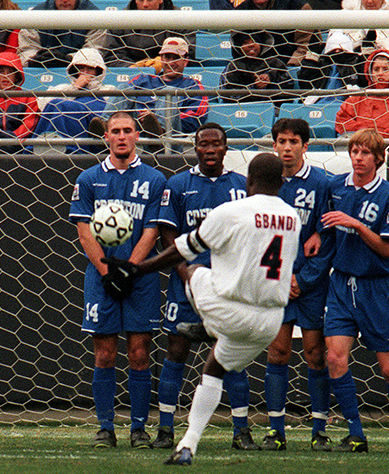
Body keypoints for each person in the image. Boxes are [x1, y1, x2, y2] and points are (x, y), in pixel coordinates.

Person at [103, 152, 301, 466]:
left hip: (231, 311)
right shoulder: (293, 217)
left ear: (248, 180)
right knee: (214, 371)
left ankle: (207, 325)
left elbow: (181, 250)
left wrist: (137, 269)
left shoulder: (232, 211)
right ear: (282, 182)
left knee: (194, 272)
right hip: (269, 321)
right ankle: (187, 445)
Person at [152, 123, 255, 451]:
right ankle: (166, 429)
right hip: (187, 284)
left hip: (229, 287)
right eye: (203, 144)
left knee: (232, 354)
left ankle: (242, 431)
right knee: (176, 350)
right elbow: (168, 235)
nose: (210, 149)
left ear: (226, 148)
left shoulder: (242, 186)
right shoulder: (178, 184)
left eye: (216, 144)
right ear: (195, 148)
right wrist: (186, 276)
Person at [68, 111, 167, 449]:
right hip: (101, 279)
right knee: (105, 354)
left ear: (137, 135)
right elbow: (84, 231)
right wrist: (108, 272)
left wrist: (130, 270)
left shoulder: (155, 180)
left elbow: (152, 230)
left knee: (140, 353)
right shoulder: (88, 178)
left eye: (128, 130)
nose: (122, 136)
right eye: (115, 131)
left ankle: (138, 428)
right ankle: (105, 428)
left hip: (139, 280)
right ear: (106, 137)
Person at [321, 128, 389, 453]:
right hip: (342, 285)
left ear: (378, 158)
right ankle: (356, 433)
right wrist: (317, 237)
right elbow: (326, 228)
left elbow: (387, 251)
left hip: (377, 288)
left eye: (365, 153)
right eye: (354, 152)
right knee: (334, 358)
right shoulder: (336, 187)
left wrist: (358, 225)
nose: (358, 158)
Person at [260, 118, 334, 452]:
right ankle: (276, 430)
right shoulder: (264, 185)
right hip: (275, 282)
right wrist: (278, 278)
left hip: (310, 285)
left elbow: (328, 238)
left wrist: (302, 280)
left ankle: (319, 429)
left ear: (306, 145)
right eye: (281, 141)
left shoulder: (322, 184)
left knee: (315, 354)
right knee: (277, 351)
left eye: (293, 142)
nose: (287, 148)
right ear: (273, 144)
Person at [96, 37, 208, 147]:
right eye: (167, 57)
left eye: (176, 58)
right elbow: (124, 102)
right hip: (134, 130)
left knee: (169, 92)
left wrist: (157, 118)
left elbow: (196, 118)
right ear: (161, 59)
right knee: (123, 88)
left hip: (171, 136)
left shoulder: (192, 85)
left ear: (185, 61)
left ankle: (159, 129)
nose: (171, 62)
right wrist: (142, 119)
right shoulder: (143, 79)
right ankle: (105, 125)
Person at [32, 48, 117, 154]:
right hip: (62, 134)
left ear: (98, 71)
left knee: (72, 107)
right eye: (81, 68)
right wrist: (74, 88)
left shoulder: (108, 90)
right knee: (56, 104)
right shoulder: (63, 88)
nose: (85, 73)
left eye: (90, 69)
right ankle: (46, 146)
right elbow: (41, 105)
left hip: (91, 141)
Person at [209, 0, 318, 67]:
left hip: (292, 69)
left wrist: (288, 68)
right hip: (255, 74)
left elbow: (305, 47)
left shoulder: (299, 7)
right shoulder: (241, 12)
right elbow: (239, 51)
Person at [103, 0, 196, 68]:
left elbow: (188, 52)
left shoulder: (181, 19)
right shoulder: (119, 20)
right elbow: (112, 56)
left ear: (161, 0)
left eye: (150, 0)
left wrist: (164, 61)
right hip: (131, 75)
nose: (145, 4)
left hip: (169, 72)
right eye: (141, 0)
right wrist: (132, 67)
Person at [335, 49, 389, 139]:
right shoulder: (358, 98)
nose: (380, 73)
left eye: (385, 69)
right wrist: (364, 133)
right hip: (360, 144)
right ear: (370, 72)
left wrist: (376, 137)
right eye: (376, 69)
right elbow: (342, 120)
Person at [17, 0, 106, 69]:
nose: (65, 1)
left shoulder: (94, 16)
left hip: (80, 71)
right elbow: (26, 49)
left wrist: (69, 59)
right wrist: (36, 60)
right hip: (41, 69)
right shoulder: (36, 14)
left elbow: (94, 51)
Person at [220, 30, 294, 104]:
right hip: (242, 109)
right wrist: (254, 88)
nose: (251, 45)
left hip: (273, 108)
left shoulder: (274, 63)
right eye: (245, 42)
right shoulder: (232, 67)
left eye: (255, 41)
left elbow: (289, 87)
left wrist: (270, 79)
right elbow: (228, 95)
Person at [324, 0, 389, 59]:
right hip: (350, 69)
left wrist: (379, 38)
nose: (369, 1)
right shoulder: (344, 15)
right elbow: (332, 51)